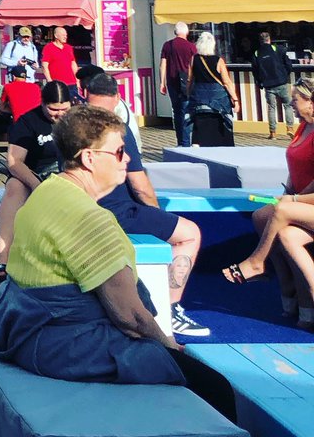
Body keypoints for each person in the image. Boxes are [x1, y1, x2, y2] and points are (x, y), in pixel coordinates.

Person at [0, 105, 184, 384]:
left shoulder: (46, 191)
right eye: (120, 151)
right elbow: (130, 317)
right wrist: (170, 350)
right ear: (89, 158)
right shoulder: (90, 220)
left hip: (23, 336)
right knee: (197, 379)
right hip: (66, 347)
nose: (127, 159)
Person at [84, 74, 209, 337]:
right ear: (117, 99)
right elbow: (140, 186)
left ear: (85, 94)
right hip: (118, 213)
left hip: (82, 211)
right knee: (189, 234)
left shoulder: (71, 126)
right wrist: (157, 215)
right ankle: (171, 309)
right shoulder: (115, 128)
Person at [221, 77, 314, 327]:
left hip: (309, 203)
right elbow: (297, 167)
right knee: (268, 221)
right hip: (304, 201)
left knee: (281, 209)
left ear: (311, 102)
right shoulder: (303, 127)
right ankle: (298, 298)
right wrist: (289, 189)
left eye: (295, 100)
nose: (291, 104)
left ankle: (257, 263)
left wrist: (291, 198)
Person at [0, 81, 73, 283]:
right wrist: (37, 185)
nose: (59, 114)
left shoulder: (77, 120)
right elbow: (14, 161)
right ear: (43, 104)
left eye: (64, 109)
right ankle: (3, 257)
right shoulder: (28, 122)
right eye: (54, 110)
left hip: (68, 171)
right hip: (33, 171)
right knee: (13, 188)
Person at [187, 31, 238, 146]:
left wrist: (188, 94)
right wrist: (235, 100)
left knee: (199, 126)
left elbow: (190, 79)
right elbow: (227, 82)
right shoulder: (219, 61)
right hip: (218, 101)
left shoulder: (193, 59)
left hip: (199, 99)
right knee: (221, 126)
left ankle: (198, 144)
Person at [252, 31, 295, 140]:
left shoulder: (257, 53)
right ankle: (290, 129)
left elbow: (255, 71)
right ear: (269, 39)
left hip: (268, 85)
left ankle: (273, 133)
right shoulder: (278, 49)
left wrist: (260, 82)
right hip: (281, 82)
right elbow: (288, 64)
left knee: (271, 108)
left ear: (260, 41)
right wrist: (285, 75)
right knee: (288, 105)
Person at [158, 22, 195, 147]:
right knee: (186, 111)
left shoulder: (167, 45)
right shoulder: (191, 47)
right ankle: (186, 142)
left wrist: (162, 82)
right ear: (187, 32)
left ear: (175, 32)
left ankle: (181, 141)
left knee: (177, 112)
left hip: (172, 82)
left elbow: (163, 65)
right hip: (187, 83)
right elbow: (193, 66)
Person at [40, 27, 80, 99]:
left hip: (71, 83)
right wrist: (50, 81)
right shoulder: (48, 48)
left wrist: (77, 80)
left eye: (66, 35)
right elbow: (44, 66)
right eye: (63, 35)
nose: (65, 37)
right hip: (57, 84)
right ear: (56, 36)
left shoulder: (69, 48)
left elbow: (73, 64)